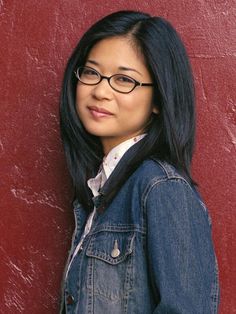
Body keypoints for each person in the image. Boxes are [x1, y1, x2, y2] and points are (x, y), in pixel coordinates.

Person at [59, 10, 220, 314]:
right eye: (92, 72)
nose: (100, 91)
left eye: (124, 80)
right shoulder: (98, 194)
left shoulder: (161, 188)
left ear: (159, 99)